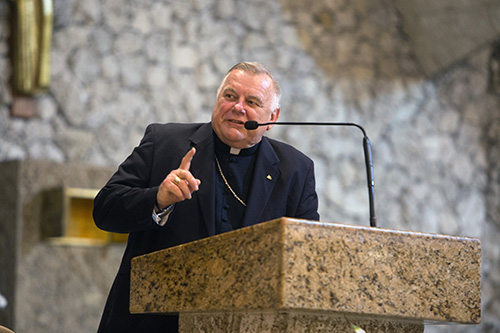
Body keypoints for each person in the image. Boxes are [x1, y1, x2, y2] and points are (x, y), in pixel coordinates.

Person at [93, 61, 320, 332]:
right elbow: (104, 210)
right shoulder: (164, 142)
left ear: (273, 117)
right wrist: (158, 199)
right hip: (154, 322)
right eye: (230, 96)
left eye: (252, 101)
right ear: (217, 100)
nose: (238, 107)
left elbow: (307, 253)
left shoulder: (295, 170)